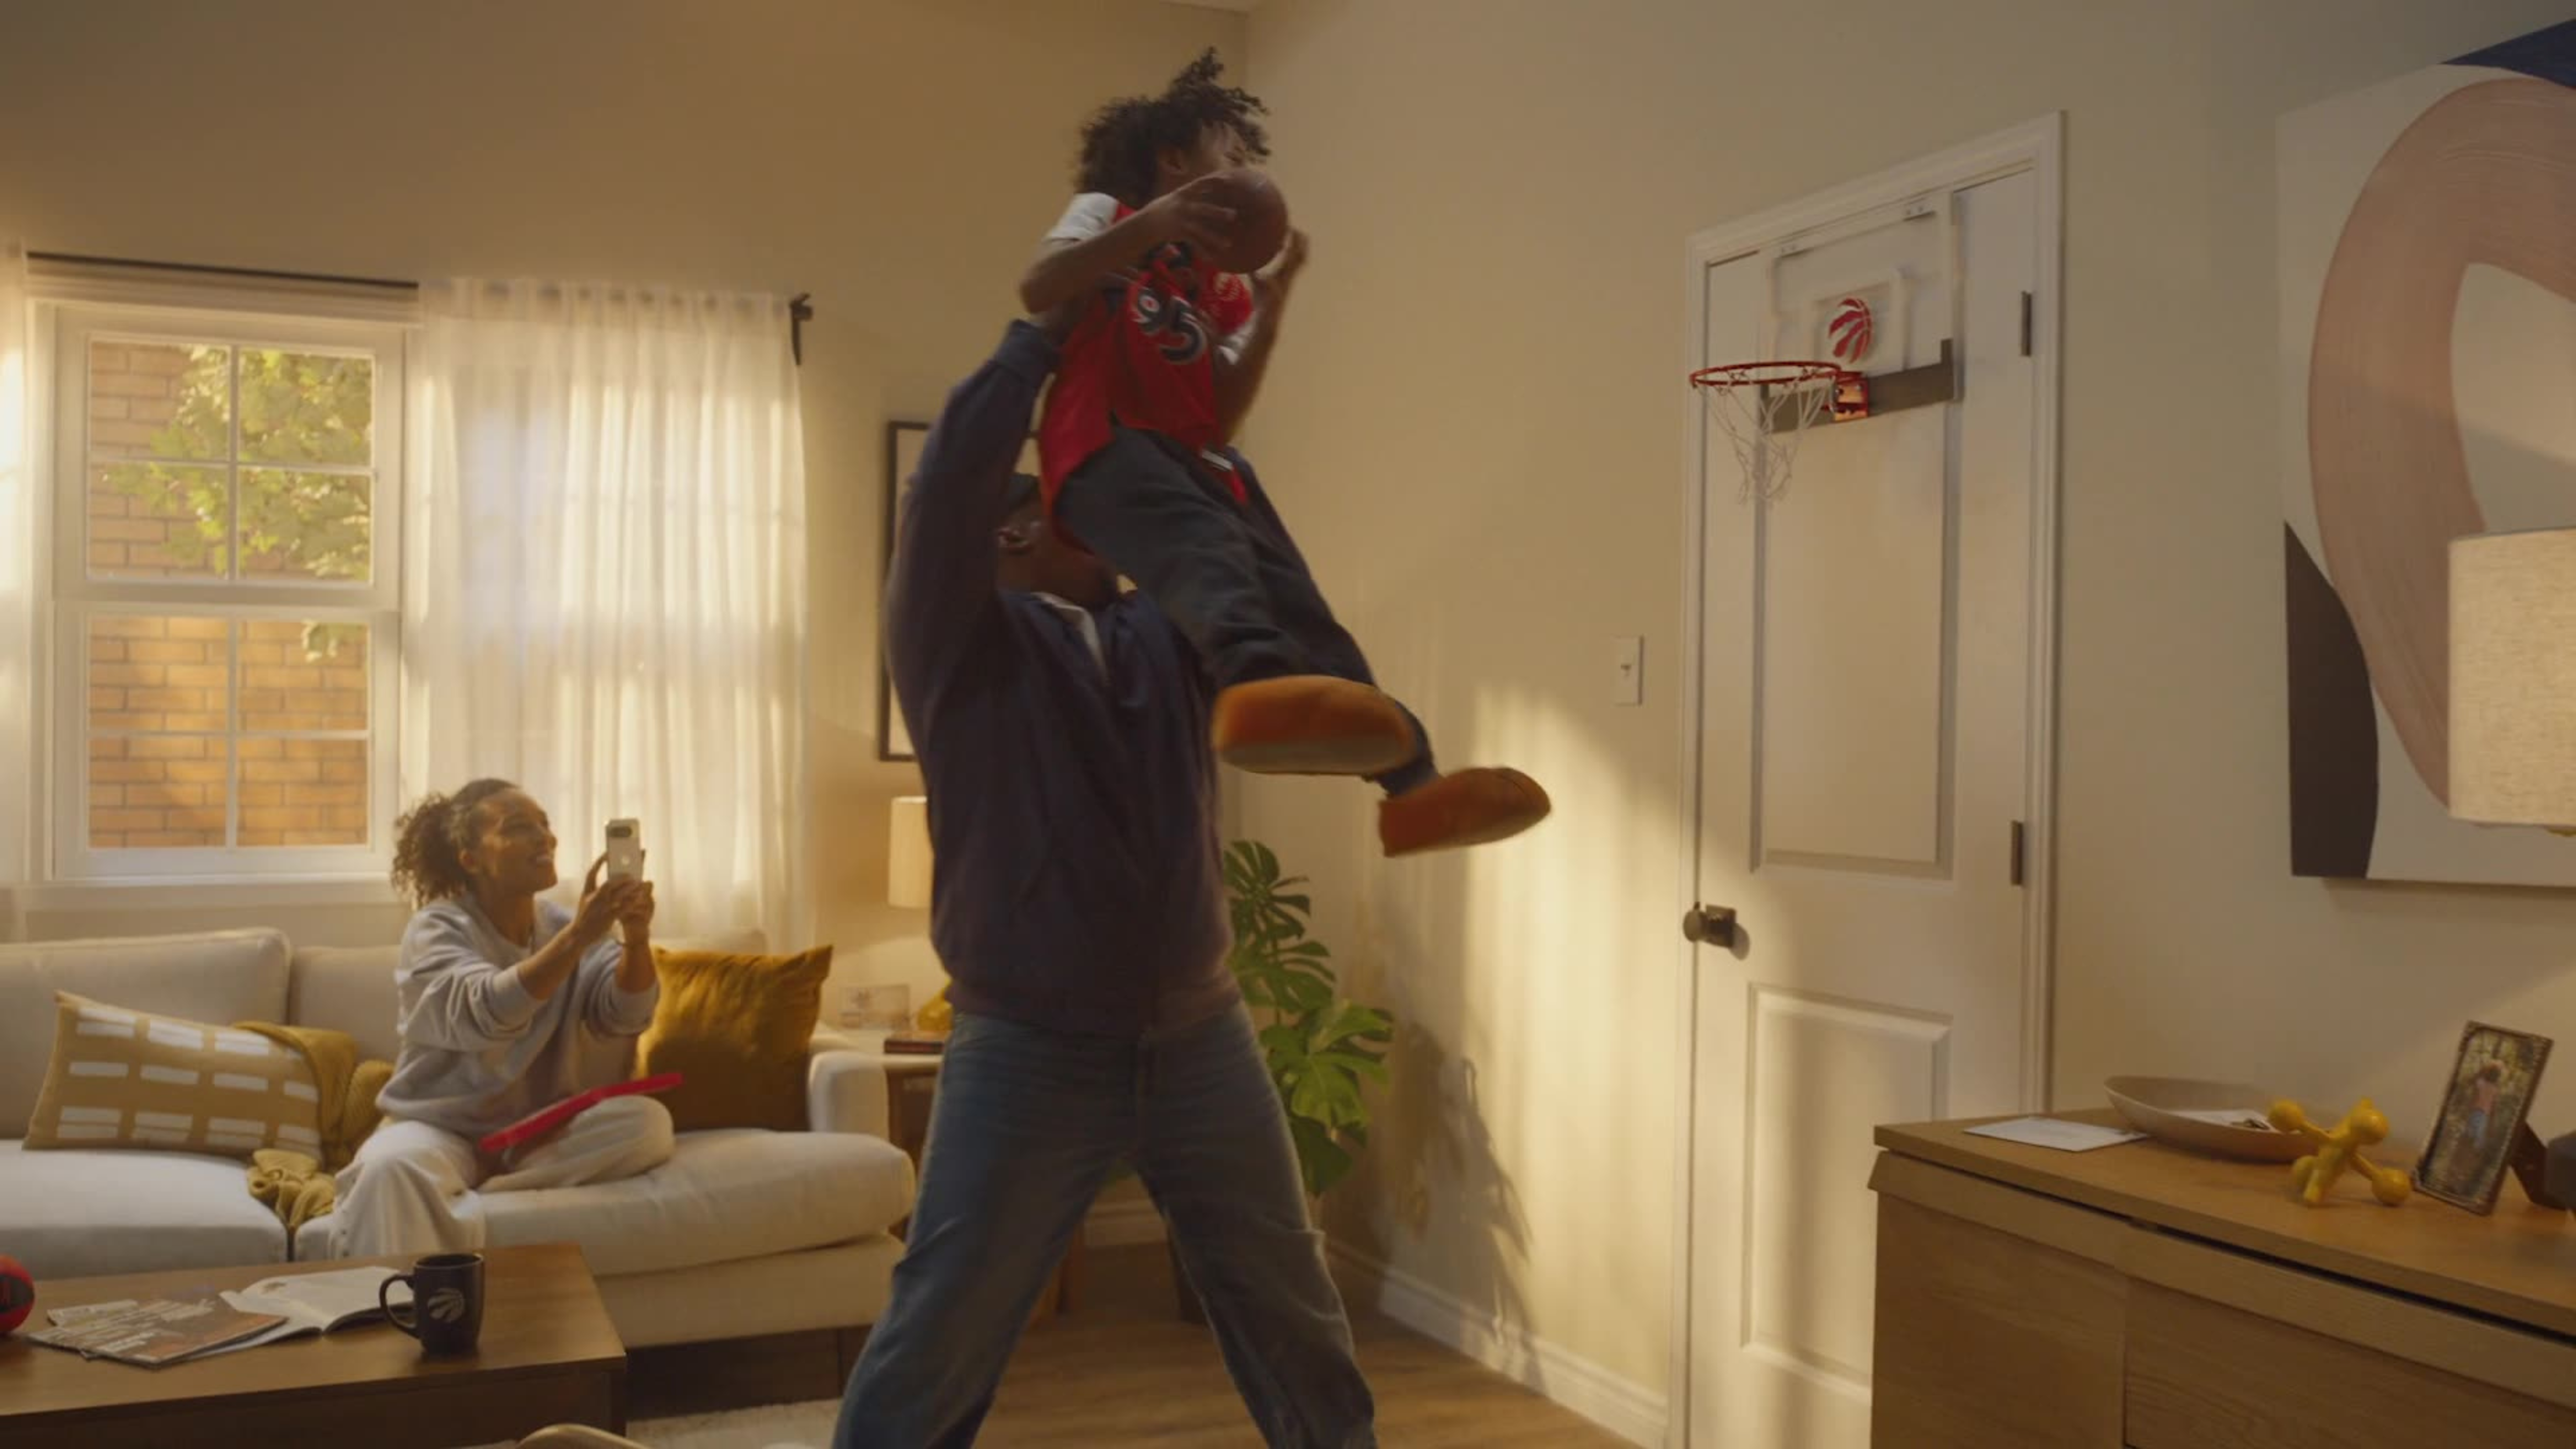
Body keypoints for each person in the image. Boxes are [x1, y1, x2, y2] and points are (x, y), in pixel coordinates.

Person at [833, 315, 1377, 1447]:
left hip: (1202, 1037)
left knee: (1299, 1323)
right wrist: (1042, 341)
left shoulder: (1156, 634)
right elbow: (944, 498)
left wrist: (1260, 323)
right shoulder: (958, 647)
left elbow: (1201, 491)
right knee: (938, 1338)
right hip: (1029, 1046)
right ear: (1025, 525)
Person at [1019, 48, 1549, 858]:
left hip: (1195, 458)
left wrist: (1270, 309)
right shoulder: (1108, 212)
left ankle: (1412, 790)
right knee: (1209, 557)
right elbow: (1040, 284)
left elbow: (1219, 416)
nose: (1243, 170)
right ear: (1174, 161)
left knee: (1299, 605)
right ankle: (1258, 689)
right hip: (1108, 444)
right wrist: (1151, 226)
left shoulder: (1216, 288)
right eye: (1230, 155)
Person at [330, 779, 669, 1258]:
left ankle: (469, 1195)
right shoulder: (437, 928)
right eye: (518, 828)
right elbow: (489, 1012)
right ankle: (436, 1224)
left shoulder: (560, 926)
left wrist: (635, 939)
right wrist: (577, 938)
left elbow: (624, 1016)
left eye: (545, 826)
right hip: (437, 1128)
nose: (544, 839)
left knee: (646, 1124)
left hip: (532, 1138)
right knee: (391, 1170)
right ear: (471, 859)